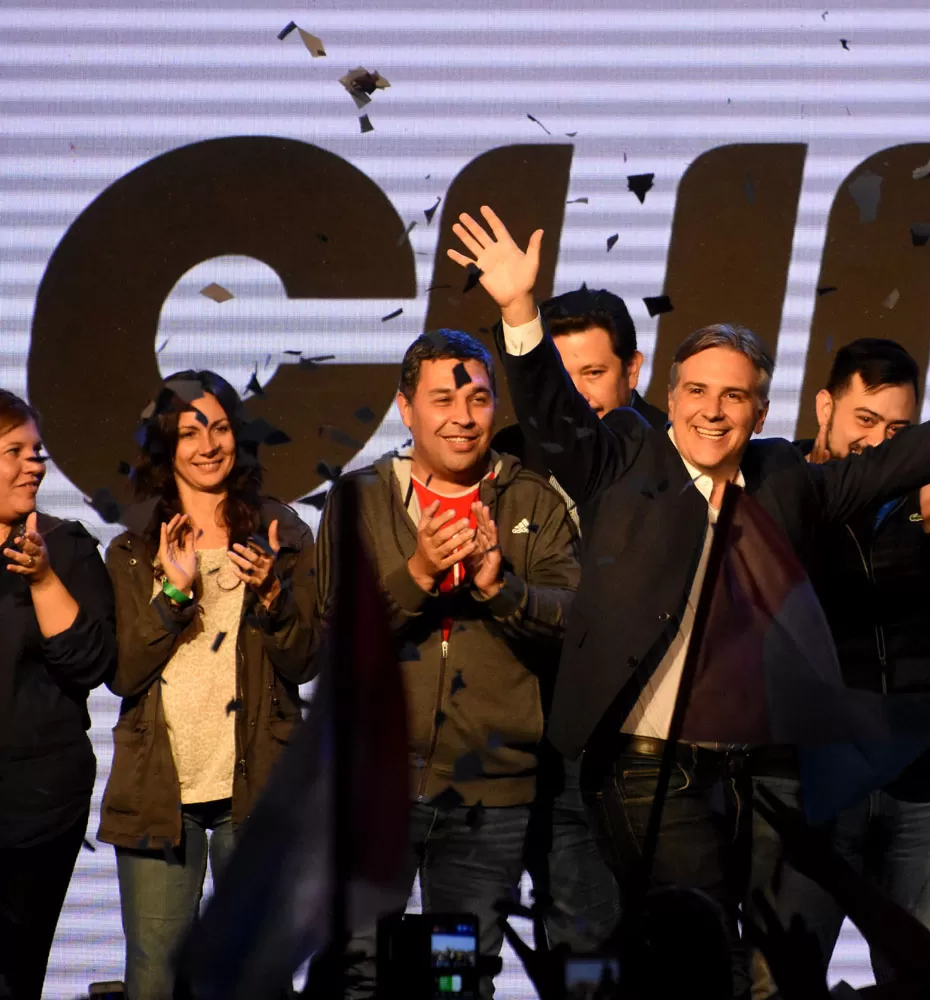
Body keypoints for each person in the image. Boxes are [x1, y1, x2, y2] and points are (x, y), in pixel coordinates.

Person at [445, 204, 930, 998]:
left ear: (761, 413)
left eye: (734, 397)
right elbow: (556, 416)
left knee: (782, 965)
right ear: (669, 399)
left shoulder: (786, 481)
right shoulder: (622, 459)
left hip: (772, 765)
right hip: (648, 764)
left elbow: (898, 459)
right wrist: (518, 312)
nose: (713, 409)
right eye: (697, 391)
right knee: (698, 958)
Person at [315, 329, 580, 999]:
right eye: (442, 399)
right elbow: (329, 635)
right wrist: (419, 572)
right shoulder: (360, 501)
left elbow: (576, 624)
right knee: (357, 975)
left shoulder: (533, 502)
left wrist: (500, 589)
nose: (462, 417)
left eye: (480, 399)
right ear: (406, 409)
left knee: (455, 981)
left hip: (485, 800)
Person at [754, 338, 930, 993]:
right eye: (864, 422)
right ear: (824, 407)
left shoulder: (922, 504)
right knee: (784, 977)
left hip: (922, 779)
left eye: (899, 430)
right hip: (818, 780)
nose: (878, 443)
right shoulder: (786, 492)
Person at [98, 371, 319, 999]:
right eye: (190, 432)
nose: (208, 444)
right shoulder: (134, 549)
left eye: (220, 428)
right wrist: (171, 591)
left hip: (259, 788)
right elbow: (125, 673)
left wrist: (273, 594)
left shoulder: (282, 534)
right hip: (159, 794)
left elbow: (306, 660)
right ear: (165, 447)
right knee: (155, 977)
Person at [492, 286, 655, 952]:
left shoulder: (670, 455)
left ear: (634, 370)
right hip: (536, 746)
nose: (580, 396)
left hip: (647, 750)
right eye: (564, 378)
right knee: (577, 948)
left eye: (594, 374)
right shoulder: (502, 460)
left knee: (661, 947)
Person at [0, 389, 115, 1000]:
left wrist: (43, 578)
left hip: (37, 811)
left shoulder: (67, 547)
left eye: (37, 451)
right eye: (14, 451)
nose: (35, 465)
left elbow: (92, 665)